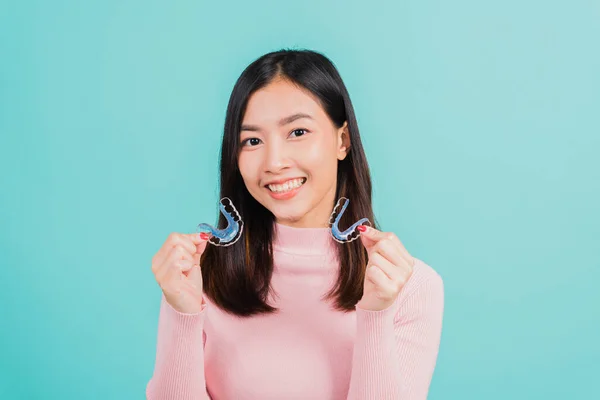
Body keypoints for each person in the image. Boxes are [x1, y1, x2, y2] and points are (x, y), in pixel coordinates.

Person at [146, 49, 444, 400]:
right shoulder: (197, 276)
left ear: (342, 140)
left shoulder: (410, 286)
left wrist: (376, 314)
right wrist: (183, 312)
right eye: (252, 141)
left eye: (298, 131)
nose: (274, 162)